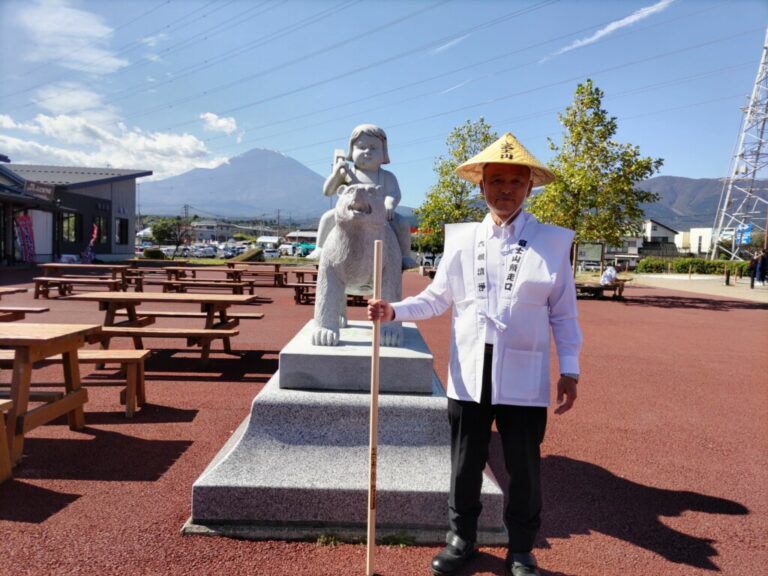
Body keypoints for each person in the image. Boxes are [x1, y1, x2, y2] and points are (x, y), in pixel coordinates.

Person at [368, 133, 583, 576]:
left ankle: (520, 549)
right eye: (497, 180)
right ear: (481, 185)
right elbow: (436, 298)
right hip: (470, 369)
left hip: (524, 372)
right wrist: (394, 310)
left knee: (524, 466)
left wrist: (570, 369)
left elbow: (564, 314)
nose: (506, 189)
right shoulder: (462, 239)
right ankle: (461, 538)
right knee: (465, 463)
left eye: (516, 181)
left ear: (529, 188)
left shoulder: (553, 243)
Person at [311, 124, 416, 268]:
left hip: (380, 213)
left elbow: (394, 193)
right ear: (351, 150)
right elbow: (327, 191)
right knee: (327, 217)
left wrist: (389, 203)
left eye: (373, 148)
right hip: (350, 213)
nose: (367, 151)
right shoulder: (347, 174)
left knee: (402, 223)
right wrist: (336, 175)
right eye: (362, 147)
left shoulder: (387, 177)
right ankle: (320, 248)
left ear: (383, 152)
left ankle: (405, 255)